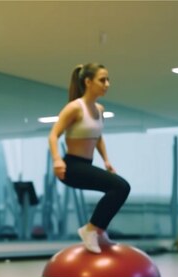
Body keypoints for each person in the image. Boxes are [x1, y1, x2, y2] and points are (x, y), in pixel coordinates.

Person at [48, 63, 130, 253]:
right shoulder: (74, 108)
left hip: (87, 165)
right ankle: (91, 229)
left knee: (117, 189)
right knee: (121, 187)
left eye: (108, 79)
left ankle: (98, 231)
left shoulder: (100, 109)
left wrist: (106, 160)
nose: (107, 84)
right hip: (72, 167)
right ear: (88, 81)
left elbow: (98, 137)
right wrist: (57, 160)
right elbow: (53, 135)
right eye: (102, 80)